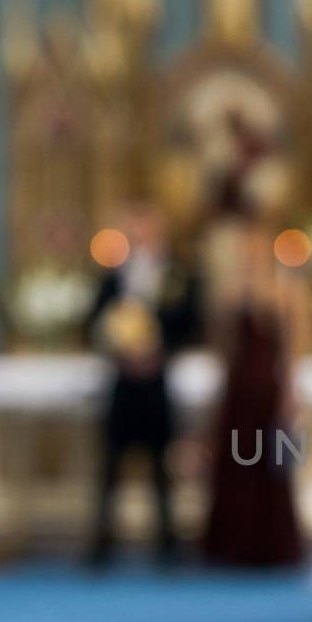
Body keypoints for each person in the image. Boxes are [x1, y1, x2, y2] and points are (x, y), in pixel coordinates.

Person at [88, 203, 200, 565]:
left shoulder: (179, 276)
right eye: (135, 228)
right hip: (123, 380)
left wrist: (159, 351)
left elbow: (190, 323)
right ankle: (102, 540)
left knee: (160, 461)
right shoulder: (112, 277)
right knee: (112, 461)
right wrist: (120, 350)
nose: (141, 235)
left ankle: (167, 542)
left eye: (147, 227)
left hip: (157, 380)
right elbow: (96, 321)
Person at [203, 220, 304, 567]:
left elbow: (294, 346)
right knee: (235, 463)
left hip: (268, 390)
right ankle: (233, 544)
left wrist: (291, 391)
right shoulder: (230, 290)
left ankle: (272, 545)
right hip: (238, 390)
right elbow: (221, 341)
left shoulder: (284, 289)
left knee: (269, 465)